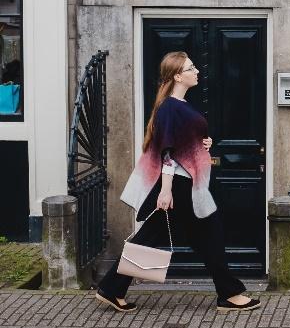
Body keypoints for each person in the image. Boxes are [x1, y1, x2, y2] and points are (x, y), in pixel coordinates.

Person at [96, 51, 260, 314]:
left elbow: (183, 142)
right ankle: (228, 294)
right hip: (179, 187)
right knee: (210, 235)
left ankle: (112, 289)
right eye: (191, 68)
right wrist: (166, 190)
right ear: (177, 76)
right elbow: (167, 152)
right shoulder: (171, 107)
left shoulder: (179, 106)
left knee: (153, 237)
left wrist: (204, 143)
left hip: (183, 184)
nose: (197, 71)